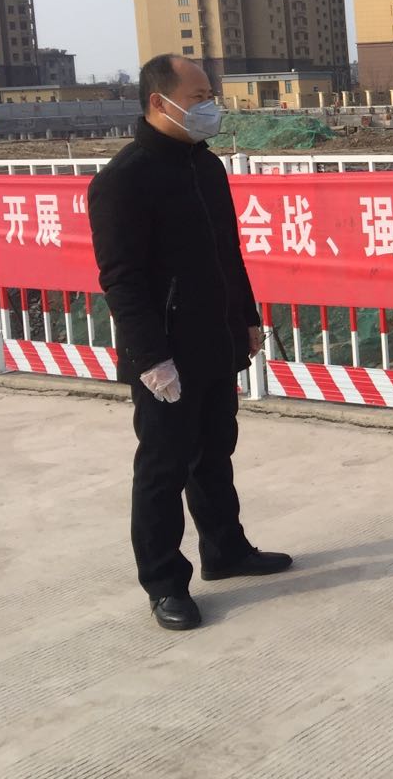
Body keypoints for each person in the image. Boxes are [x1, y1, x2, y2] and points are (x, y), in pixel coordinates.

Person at [89, 56, 291, 632]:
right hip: (165, 352)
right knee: (163, 467)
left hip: (215, 339)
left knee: (215, 451)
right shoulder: (124, 180)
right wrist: (151, 358)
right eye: (199, 96)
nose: (211, 106)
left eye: (210, 95)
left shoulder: (205, 166)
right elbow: (121, 280)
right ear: (160, 102)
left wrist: (245, 318)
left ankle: (225, 550)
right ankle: (164, 584)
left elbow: (228, 253)